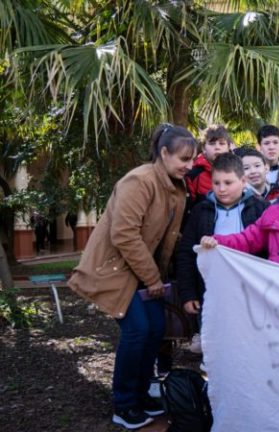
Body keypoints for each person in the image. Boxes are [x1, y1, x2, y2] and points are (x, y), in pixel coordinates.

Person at [68, 124, 196, 430]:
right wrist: (153, 279)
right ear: (163, 153)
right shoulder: (139, 181)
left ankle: (140, 395)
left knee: (154, 330)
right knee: (137, 331)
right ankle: (124, 404)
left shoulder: (176, 186)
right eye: (184, 159)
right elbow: (124, 235)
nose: (190, 166)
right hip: (117, 271)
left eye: (193, 159)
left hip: (144, 272)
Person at [176, 153, 268, 353]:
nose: (222, 188)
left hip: (250, 295)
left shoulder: (261, 209)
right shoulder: (201, 211)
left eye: (228, 182)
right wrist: (188, 293)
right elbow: (186, 253)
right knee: (215, 350)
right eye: (216, 183)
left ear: (243, 181)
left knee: (251, 348)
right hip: (210, 294)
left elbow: (269, 250)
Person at [186, 124, 234, 205]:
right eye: (212, 143)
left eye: (221, 143)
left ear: (228, 147)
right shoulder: (194, 174)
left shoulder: (238, 171)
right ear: (204, 148)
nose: (217, 147)